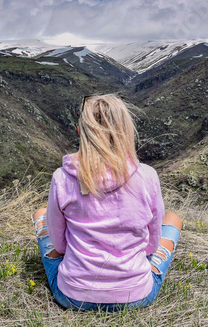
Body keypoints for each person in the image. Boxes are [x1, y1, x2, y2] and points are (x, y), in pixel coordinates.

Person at [32, 93, 182, 311]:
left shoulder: (62, 178)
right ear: (126, 131)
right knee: (173, 220)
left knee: (41, 214)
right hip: (136, 295)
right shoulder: (148, 176)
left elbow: (60, 245)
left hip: (73, 297)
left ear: (81, 131)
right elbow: (151, 244)